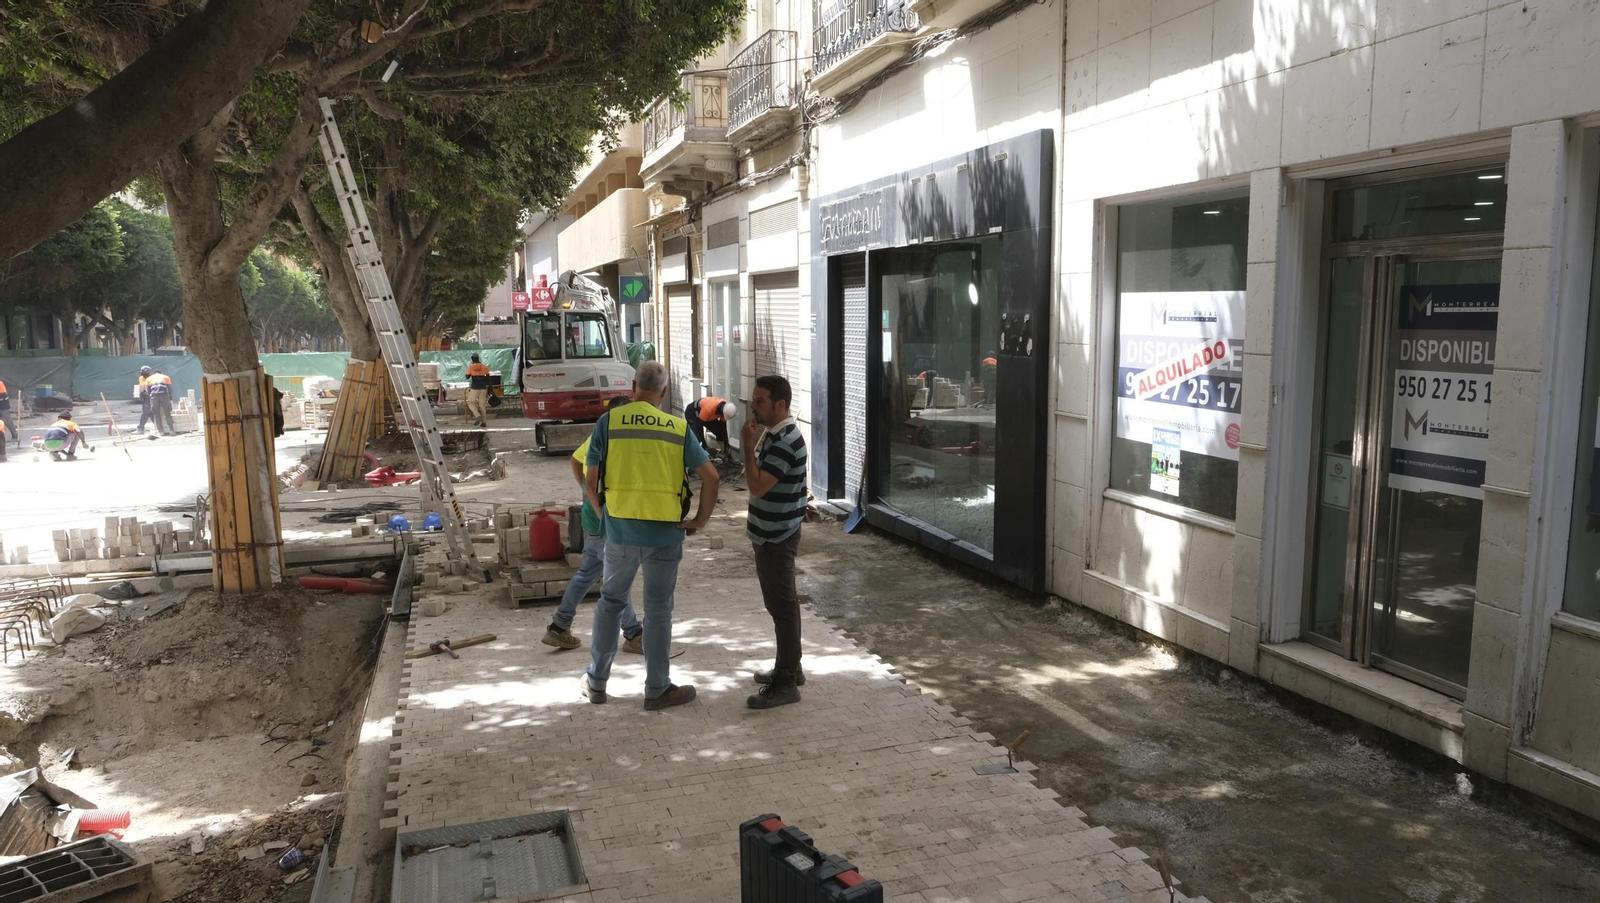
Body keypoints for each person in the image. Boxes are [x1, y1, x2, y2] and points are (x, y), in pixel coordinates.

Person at [582, 361, 718, 710]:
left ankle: (596, 683)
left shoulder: (608, 422)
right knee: (658, 610)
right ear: (663, 392)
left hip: (621, 531)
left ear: (632, 388)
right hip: (666, 534)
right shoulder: (677, 427)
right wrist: (699, 521)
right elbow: (712, 477)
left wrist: (603, 516)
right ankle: (657, 688)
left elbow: (590, 480)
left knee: (611, 603)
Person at [543, 396, 645, 654]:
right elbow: (578, 463)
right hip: (604, 520)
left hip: (594, 516)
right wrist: (589, 491)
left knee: (589, 573)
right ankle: (633, 633)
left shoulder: (601, 433)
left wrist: (586, 491)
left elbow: (576, 460)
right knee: (617, 579)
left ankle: (559, 625)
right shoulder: (611, 438)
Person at [741, 375, 812, 709]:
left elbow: (756, 486)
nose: (752, 406)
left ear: (779, 404)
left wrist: (745, 446)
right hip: (770, 532)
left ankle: (786, 682)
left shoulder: (785, 440)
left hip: (777, 536)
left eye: (759, 401)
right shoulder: (774, 433)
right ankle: (790, 667)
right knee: (783, 604)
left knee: (782, 608)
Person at [146, 368, 176, 435]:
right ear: (160, 373)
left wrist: (151, 398)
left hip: (154, 396)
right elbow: (170, 389)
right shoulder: (166, 377)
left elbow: (148, 390)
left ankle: (161, 431)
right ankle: (171, 430)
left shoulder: (149, 379)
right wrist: (170, 399)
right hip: (164, 395)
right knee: (167, 412)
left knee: (156, 413)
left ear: (154, 373)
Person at [465, 354, 491, 427]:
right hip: (483, 388)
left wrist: (471, 373)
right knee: (482, 405)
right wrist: (491, 389)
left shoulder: (471, 367)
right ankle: (484, 422)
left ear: (472, 359)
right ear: (478, 358)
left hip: (475, 388)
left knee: (470, 402)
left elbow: (467, 377)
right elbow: (489, 378)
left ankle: (477, 415)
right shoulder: (484, 367)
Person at [134, 366, 154, 434]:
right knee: (150, 413)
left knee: (146, 412)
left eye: (144, 372)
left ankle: (140, 428)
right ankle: (159, 427)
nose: (143, 374)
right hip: (144, 397)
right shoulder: (141, 378)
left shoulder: (151, 379)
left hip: (150, 397)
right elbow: (141, 387)